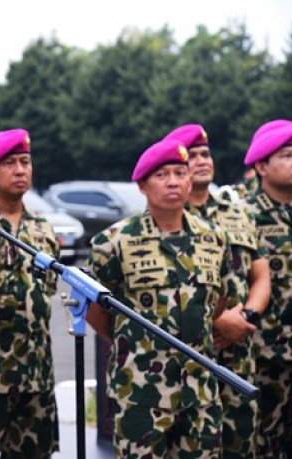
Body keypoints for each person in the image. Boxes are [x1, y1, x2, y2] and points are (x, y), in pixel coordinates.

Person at [86, 139, 237, 458]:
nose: (173, 182)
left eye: (180, 173)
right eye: (162, 174)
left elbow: (220, 301)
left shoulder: (215, 239)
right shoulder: (113, 243)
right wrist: (132, 341)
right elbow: (95, 307)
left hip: (201, 394)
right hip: (141, 391)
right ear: (142, 185)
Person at [164, 123, 270, 458]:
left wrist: (246, 316)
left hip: (239, 350)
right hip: (189, 356)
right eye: (191, 156)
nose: (201, 161)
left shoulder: (238, 214)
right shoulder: (167, 217)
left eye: (205, 154)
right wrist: (215, 322)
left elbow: (261, 275)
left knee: (241, 443)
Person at [0, 128, 60, 458]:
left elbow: (49, 290)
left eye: (25, 162)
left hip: (36, 372)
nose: (20, 170)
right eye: (9, 163)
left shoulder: (43, 227)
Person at [243, 120, 292, 457]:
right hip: (267, 354)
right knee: (265, 443)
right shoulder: (244, 217)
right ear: (261, 166)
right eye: (287, 156)